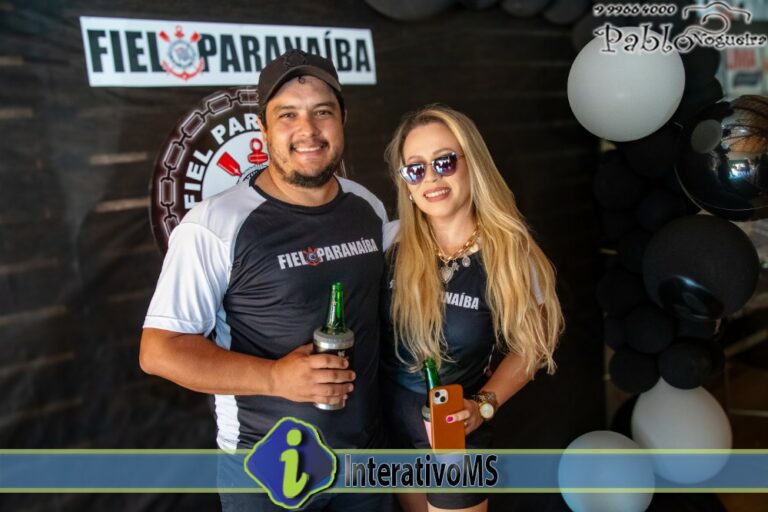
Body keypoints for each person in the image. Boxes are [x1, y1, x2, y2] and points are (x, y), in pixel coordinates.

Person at [140, 49, 389, 511]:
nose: (307, 130)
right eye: (287, 115)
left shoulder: (367, 207)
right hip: (268, 471)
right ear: (263, 129)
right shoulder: (216, 223)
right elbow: (159, 350)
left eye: (322, 112)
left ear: (343, 120)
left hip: (364, 465)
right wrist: (275, 377)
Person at [380, 104, 563, 512]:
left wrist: (484, 404)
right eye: (415, 169)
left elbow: (535, 345)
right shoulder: (390, 241)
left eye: (444, 162)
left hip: (453, 433)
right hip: (390, 426)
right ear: (406, 184)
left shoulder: (511, 253)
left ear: (472, 163)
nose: (431, 178)